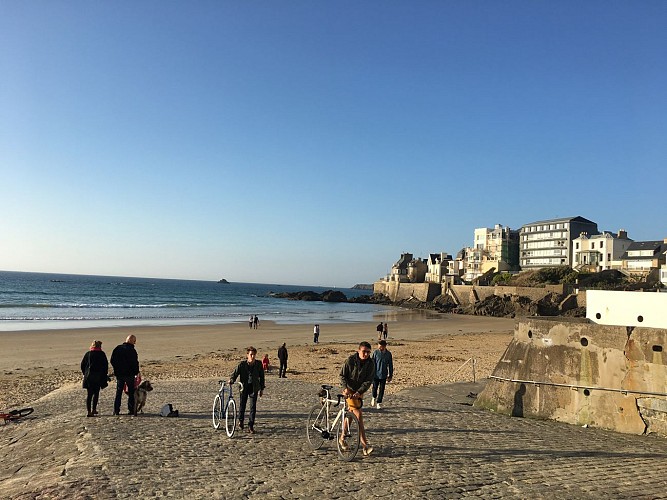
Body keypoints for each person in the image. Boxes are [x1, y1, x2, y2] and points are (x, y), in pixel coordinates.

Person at [339, 341, 375, 456]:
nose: (366, 354)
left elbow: (368, 381)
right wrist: (345, 389)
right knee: (358, 414)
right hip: (348, 390)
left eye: (368, 352)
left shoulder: (371, 363)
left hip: (359, 392)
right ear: (358, 351)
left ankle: (342, 438)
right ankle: (365, 445)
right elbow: (342, 375)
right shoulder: (350, 360)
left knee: (351, 415)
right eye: (364, 352)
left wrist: (360, 392)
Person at [229, 346, 265, 434]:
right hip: (244, 387)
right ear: (247, 355)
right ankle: (241, 421)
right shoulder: (242, 364)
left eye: (254, 355)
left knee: (253, 407)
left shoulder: (258, 364)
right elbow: (235, 373)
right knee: (242, 405)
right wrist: (231, 380)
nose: (252, 357)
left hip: (254, 388)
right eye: (251, 355)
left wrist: (262, 388)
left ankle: (250, 425)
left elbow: (262, 377)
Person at [110, 334, 140, 416]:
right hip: (129, 374)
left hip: (120, 374)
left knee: (119, 392)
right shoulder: (131, 350)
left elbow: (112, 360)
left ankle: (116, 410)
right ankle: (131, 410)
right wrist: (136, 372)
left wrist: (116, 369)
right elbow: (135, 363)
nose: (135, 343)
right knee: (131, 392)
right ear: (131, 341)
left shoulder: (118, 348)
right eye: (134, 341)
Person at [81, 340, 109, 417]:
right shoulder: (102, 354)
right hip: (98, 377)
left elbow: (82, 365)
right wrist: (104, 375)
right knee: (96, 393)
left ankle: (89, 411)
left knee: (89, 395)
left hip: (89, 377)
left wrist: (85, 373)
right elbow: (105, 365)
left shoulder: (88, 354)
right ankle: (94, 409)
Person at [371, 340, 393, 410]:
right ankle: (373, 397)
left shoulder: (388, 354)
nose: (379, 347)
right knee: (374, 388)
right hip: (375, 374)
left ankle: (378, 403)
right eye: (378, 346)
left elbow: (390, 365)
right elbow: (372, 363)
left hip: (384, 374)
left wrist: (390, 375)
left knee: (382, 389)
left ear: (384, 346)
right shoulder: (376, 353)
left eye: (380, 346)